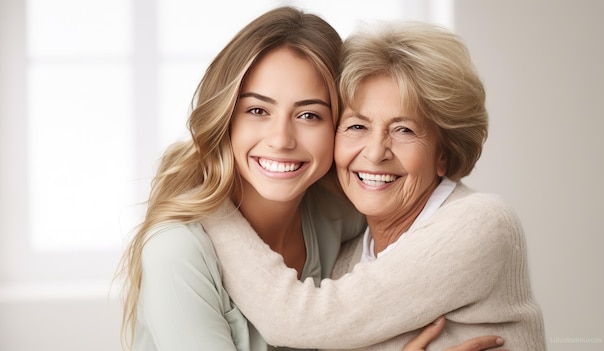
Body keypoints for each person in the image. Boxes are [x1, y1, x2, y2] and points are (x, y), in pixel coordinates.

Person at [117, 6, 507, 351]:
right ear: (225, 119)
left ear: (336, 127)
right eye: (257, 111)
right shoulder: (176, 251)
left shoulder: (340, 218)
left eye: (309, 115)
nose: (282, 140)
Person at [201, 20, 547, 350]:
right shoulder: (346, 260)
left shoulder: (479, 223)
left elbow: (293, 319)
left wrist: (208, 197)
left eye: (404, 130)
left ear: (444, 153)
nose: (376, 152)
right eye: (357, 126)